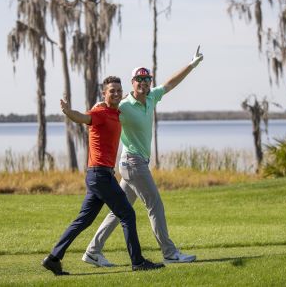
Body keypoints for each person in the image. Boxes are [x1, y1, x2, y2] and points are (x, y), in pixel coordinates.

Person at [82, 47, 204, 267]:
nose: (143, 83)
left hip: (134, 164)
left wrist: (192, 65)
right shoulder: (124, 105)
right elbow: (104, 108)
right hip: (133, 162)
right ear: (132, 82)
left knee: (120, 211)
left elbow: (170, 84)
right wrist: (97, 105)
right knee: (155, 204)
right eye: (139, 80)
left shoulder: (152, 97)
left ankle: (92, 250)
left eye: (146, 79)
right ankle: (169, 252)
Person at [42, 76, 165, 276]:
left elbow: (128, 96)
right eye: (111, 91)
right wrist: (68, 112)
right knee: (127, 214)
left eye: (118, 90)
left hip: (98, 175)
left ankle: (53, 258)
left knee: (84, 220)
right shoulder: (99, 112)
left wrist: (138, 90)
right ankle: (138, 261)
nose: (116, 93)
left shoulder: (117, 111)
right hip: (100, 175)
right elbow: (83, 118)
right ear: (103, 93)